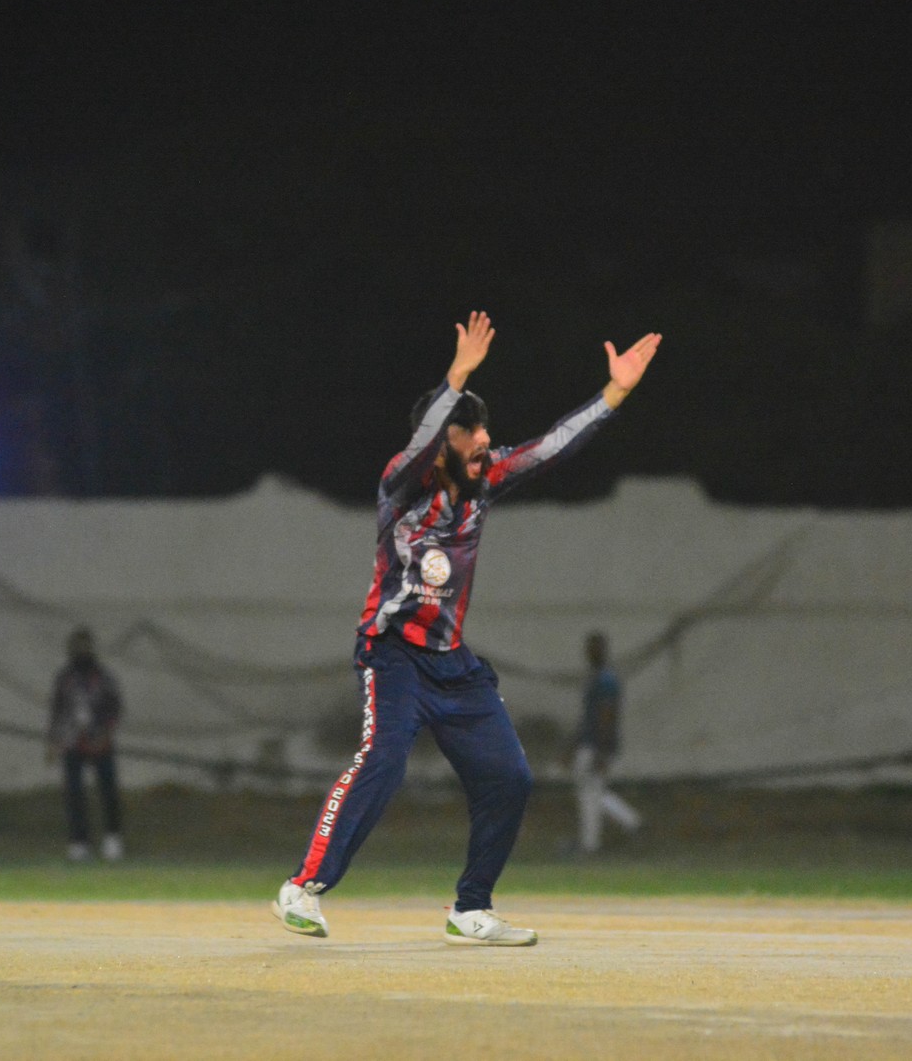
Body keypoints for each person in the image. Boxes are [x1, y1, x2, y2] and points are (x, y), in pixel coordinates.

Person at [273, 311, 662, 946]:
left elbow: (552, 446)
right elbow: (422, 443)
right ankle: (303, 887)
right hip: (393, 655)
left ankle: (471, 909)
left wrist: (614, 393)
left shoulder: (485, 483)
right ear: (442, 440)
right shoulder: (402, 486)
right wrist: (454, 380)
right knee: (383, 760)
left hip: (453, 664)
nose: (486, 439)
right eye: (471, 430)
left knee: (510, 779)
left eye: (485, 427)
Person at [45, 626, 126, 862]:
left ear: (91, 648)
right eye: (77, 647)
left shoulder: (103, 677)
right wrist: (53, 741)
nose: (81, 651)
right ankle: (79, 842)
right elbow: (57, 711)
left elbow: (115, 708)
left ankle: (112, 838)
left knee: (108, 791)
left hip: (100, 741)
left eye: (85, 646)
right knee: (74, 793)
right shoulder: (64, 678)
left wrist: (106, 734)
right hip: (72, 742)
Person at [573, 631, 642, 855]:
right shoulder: (595, 678)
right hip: (590, 743)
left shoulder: (606, 679)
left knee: (589, 794)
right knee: (592, 792)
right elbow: (587, 716)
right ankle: (630, 821)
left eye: (595, 648)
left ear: (603, 650)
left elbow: (606, 715)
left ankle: (591, 845)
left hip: (597, 746)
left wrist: (601, 751)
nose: (591, 653)